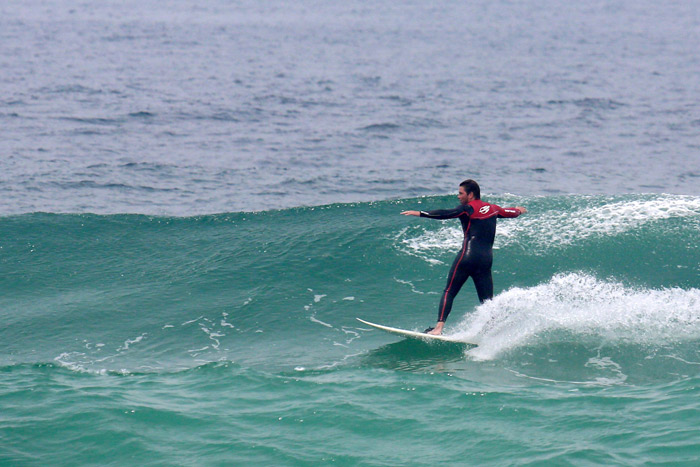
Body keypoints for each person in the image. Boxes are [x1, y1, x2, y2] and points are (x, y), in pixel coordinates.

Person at [401, 179, 526, 335]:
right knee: (487, 301)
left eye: (461, 193)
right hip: (486, 260)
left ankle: (438, 328)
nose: (458, 196)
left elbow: (445, 213)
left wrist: (421, 213)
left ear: (471, 194)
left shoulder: (467, 209)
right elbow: (511, 213)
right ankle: (491, 331)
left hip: (468, 257)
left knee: (450, 291)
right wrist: (519, 210)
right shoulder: (494, 208)